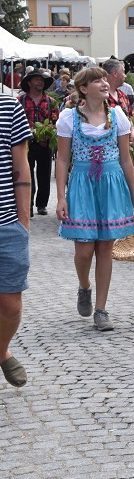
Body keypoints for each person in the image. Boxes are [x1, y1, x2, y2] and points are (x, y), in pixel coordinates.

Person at [54, 66, 134, 331]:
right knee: (84, 249)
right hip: (82, 185)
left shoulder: (117, 116)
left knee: (105, 247)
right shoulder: (68, 118)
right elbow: (62, 159)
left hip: (111, 184)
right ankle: (84, 285)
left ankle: (101, 309)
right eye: (97, 81)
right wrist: (61, 197)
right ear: (84, 89)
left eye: (105, 79)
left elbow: (126, 160)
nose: (105, 83)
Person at [0, 91, 31, 387]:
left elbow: (20, 165)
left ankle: (1, 349)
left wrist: (23, 221)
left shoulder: (9, 106)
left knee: (11, 306)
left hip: (6, 222)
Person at [17, 68, 58, 216]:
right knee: (26, 173)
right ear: (29, 82)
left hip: (45, 143)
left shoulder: (51, 102)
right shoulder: (19, 100)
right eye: (37, 79)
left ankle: (42, 204)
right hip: (25, 143)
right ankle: (28, 205)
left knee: (44, 174)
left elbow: (56, 122)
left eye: (42, 80)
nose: (40, 81)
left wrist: (50, 129)